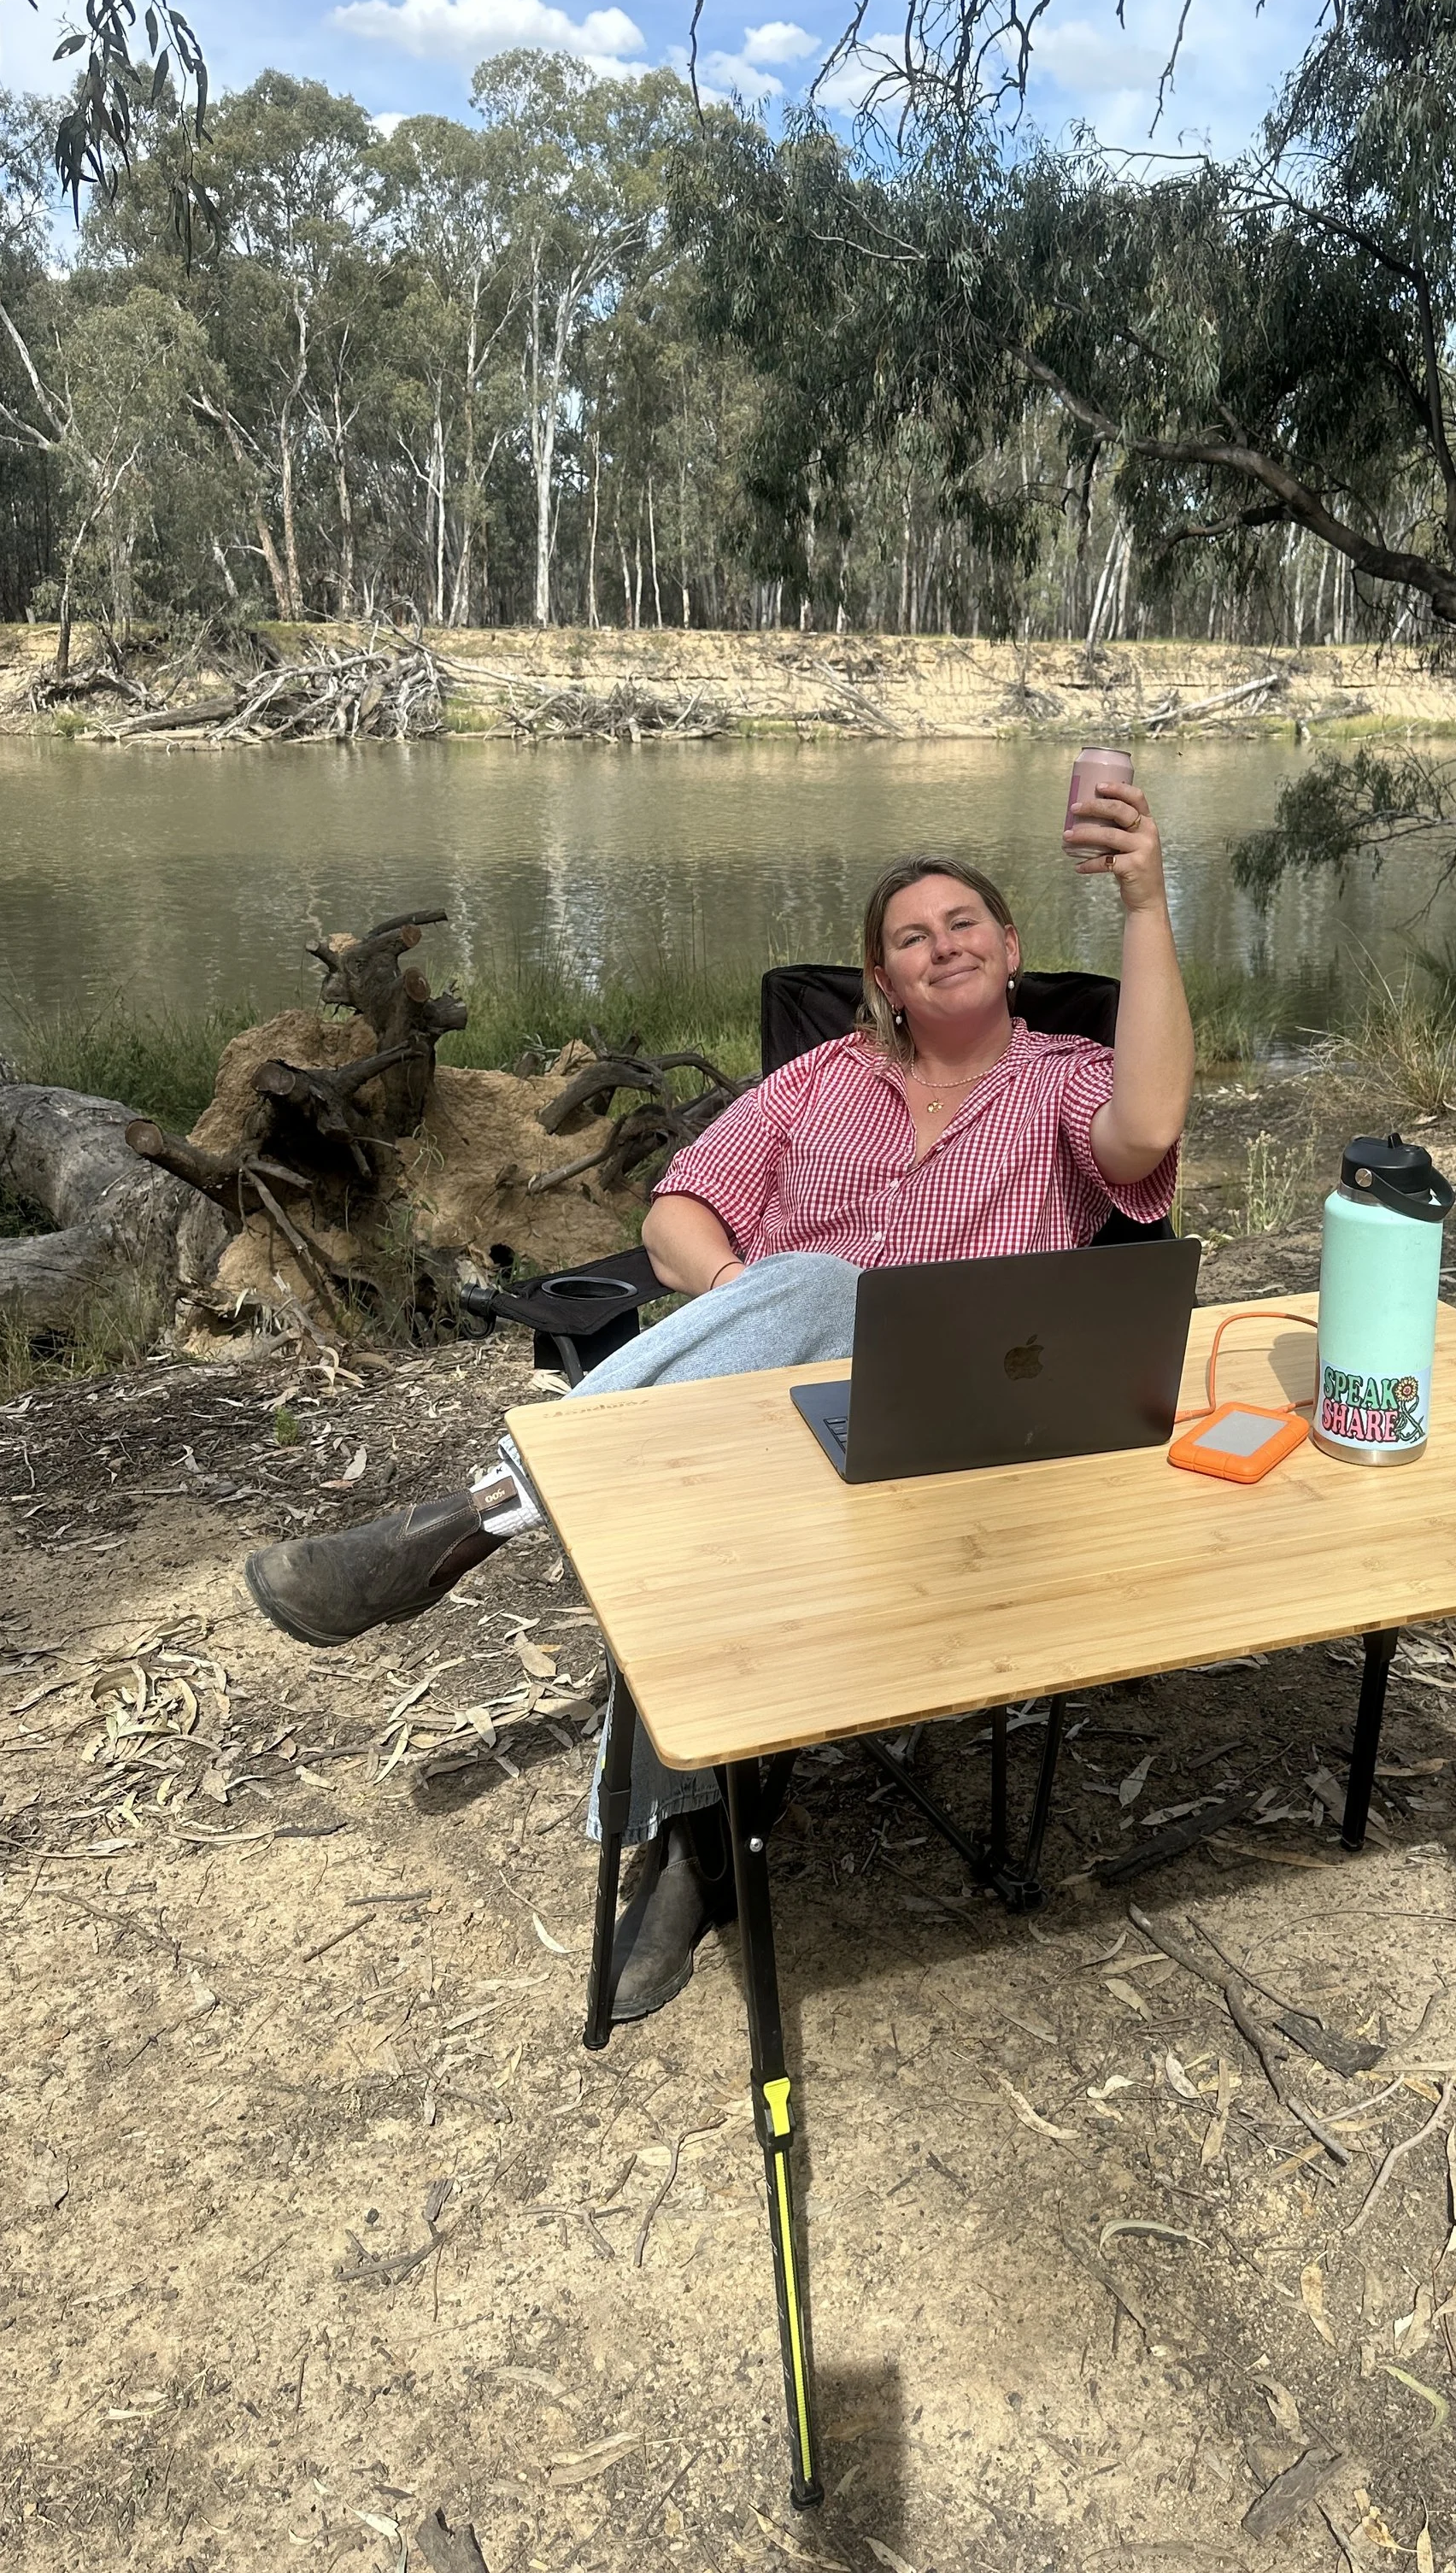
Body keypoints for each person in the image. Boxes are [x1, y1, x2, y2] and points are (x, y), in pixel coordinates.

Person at [244, 771, 1195, 2016]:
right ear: (884, 979)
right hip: (768, 1401)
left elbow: (1150, 1123)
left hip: (959, 1428)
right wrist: (760, 1298)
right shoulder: (818, 1082)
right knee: (765, 1356)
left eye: (964, 923)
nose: (941, 945)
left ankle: (473, 1521)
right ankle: (696, 1860)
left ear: (1011, 949)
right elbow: (679, 1210)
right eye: (910, 937)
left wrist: (1144, 898)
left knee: (785, 1326)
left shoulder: (1069, 1079)